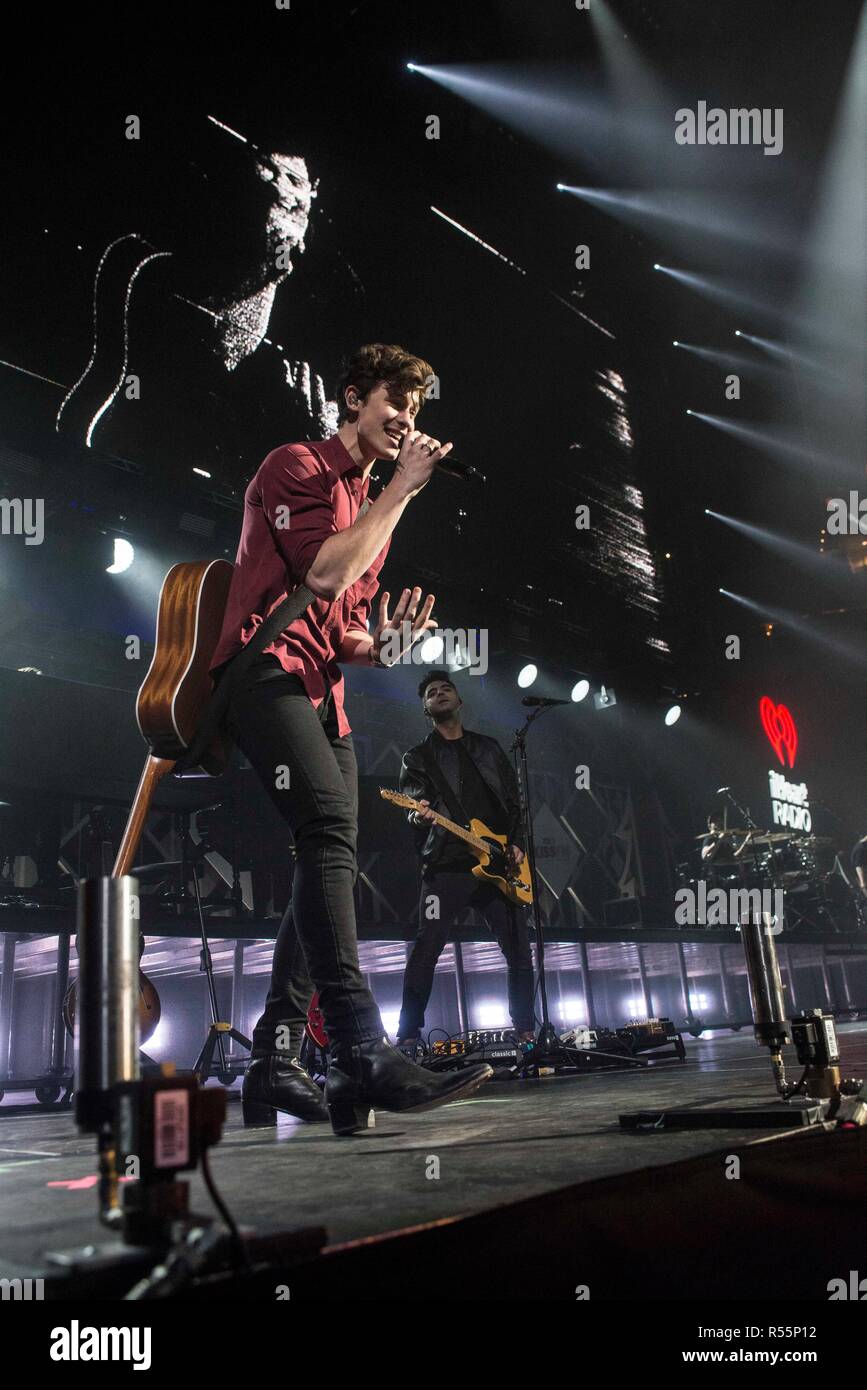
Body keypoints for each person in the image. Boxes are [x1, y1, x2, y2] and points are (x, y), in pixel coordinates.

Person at [208, 344, 492, 1134]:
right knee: (328, 830)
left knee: (325, 848)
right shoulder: (294, 464)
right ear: (351, 400)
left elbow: (346, 628)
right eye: (393, 405)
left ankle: (278, 1057)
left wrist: (388, 647)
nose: (406, 422)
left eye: (415, 411)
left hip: (319, 690)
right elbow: (324, 576)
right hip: (263, 673)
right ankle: (362, 1050)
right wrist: (401, 487)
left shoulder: (374, 495)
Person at [395, 671, 535, 1050]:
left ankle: (526, 1030)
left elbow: (514, 802)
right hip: (445, 865)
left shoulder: (489, 749)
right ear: (425, 708)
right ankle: (407, 1035)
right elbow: (411, 804)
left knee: (520, 949)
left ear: (459, 701)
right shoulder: (417, 757)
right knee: (427, 948)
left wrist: (517, 844)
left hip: (498, 864)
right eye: (430, 693)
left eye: (445, 689)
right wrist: (416, 813)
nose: (439, 694)